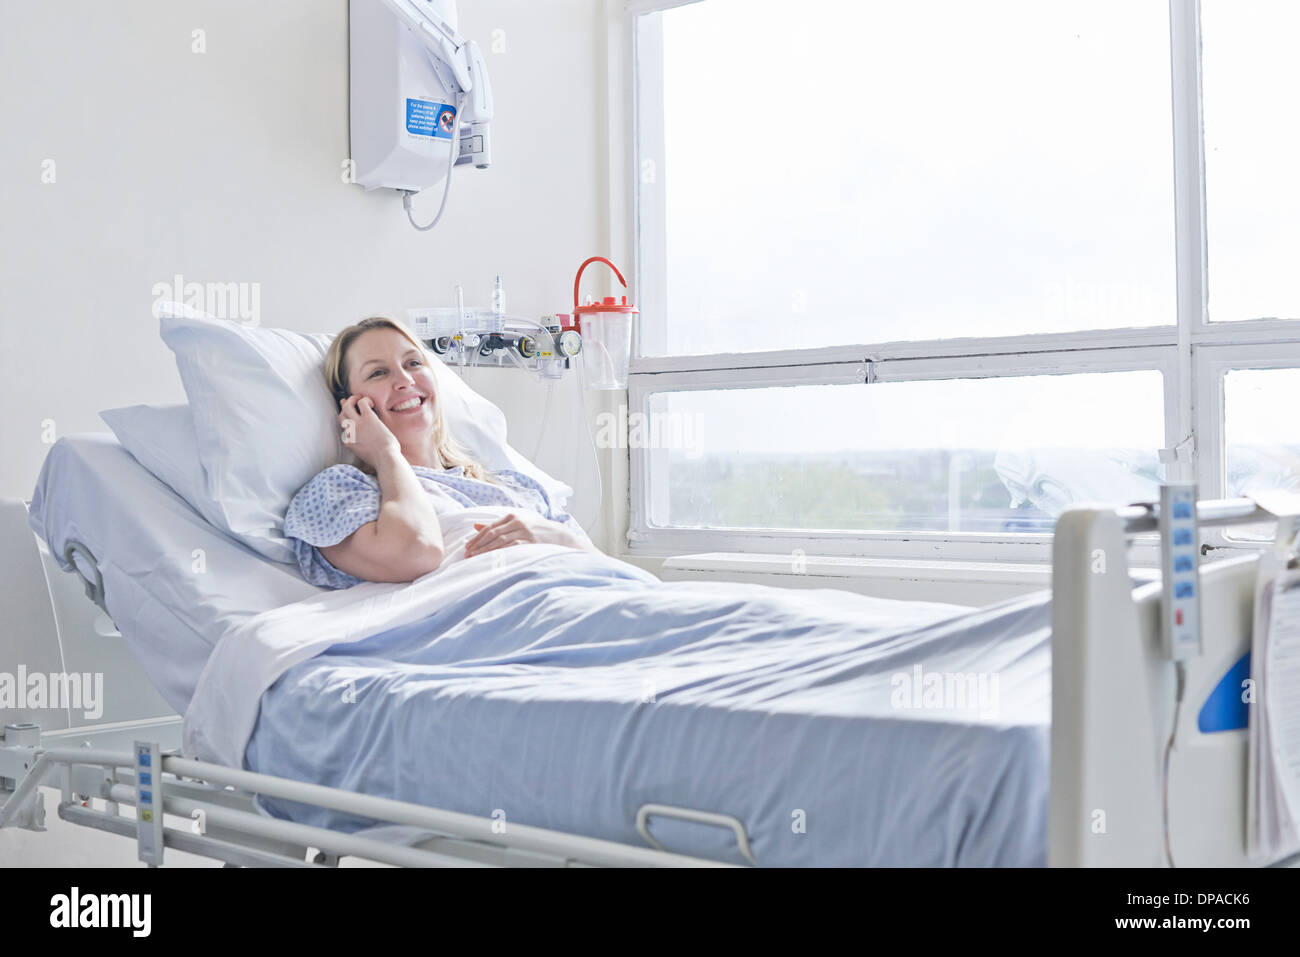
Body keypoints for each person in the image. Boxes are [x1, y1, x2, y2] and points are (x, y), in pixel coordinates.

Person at [283, 316, 598, 588]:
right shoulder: (340, 492)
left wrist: (552, 536)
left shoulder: (516, 487)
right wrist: (385, 452)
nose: (405, 380)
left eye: (414, 363)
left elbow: (601, 566)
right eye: (378, 373)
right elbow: (415, 551)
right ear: (350, 406)